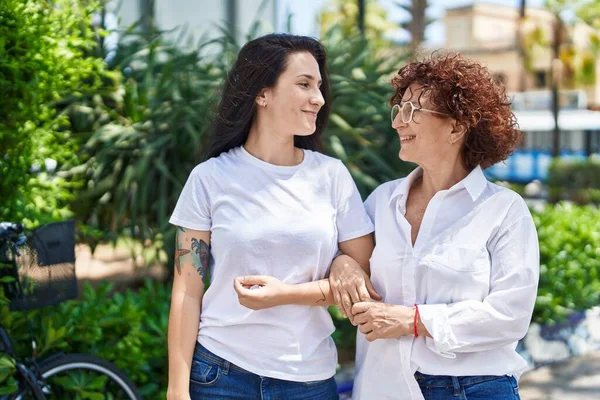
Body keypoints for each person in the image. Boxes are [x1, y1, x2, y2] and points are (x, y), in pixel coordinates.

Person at [166, 33, 376, 400]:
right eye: (304, 84)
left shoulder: (331, 176)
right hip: (220, 375)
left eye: (320, 86)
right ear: (262, 94)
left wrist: (308, 283)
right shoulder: (209, 178)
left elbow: (368, 279)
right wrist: (177, 389)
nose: (319, 98)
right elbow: (187, 290)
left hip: (308, 379)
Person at [329, 53, 540, 400]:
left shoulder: (504, 210)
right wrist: (344, 263)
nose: (399, 123)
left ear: (457, 126)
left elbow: (510, 315)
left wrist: (412, 321)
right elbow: (347, 252)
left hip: (475, 389)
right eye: (399, 110)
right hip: (384, 387)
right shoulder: (382, 202)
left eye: (413, 111)